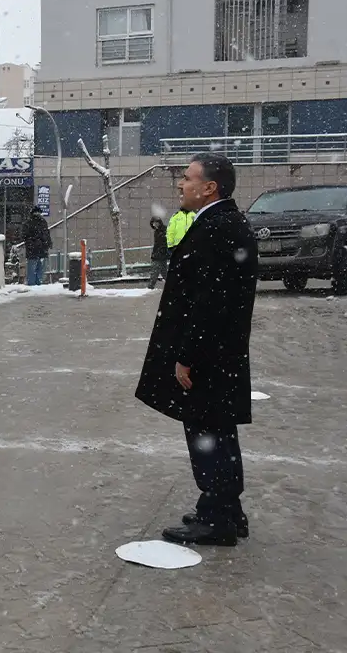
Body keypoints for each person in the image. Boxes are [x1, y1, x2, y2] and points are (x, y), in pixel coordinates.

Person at [136, 153, 258, 547]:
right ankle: (226, 509)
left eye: (188, 178)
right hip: (220, 354)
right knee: (219, 430)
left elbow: (210, 303)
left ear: (210, 187)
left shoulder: (218, 228)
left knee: (208, 432)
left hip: (209, 357)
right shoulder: (222, 223)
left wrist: (187, 356)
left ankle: (217, 519)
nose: (181, 184)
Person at [21, 205, 52, 286]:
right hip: (41, 249)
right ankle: (37, 284)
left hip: (33, 250)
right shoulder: (42, 222)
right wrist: (47, 243)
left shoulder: (29, 222)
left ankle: (33, 284)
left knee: (33, 269)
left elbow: (24, 236)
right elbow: (46, 234)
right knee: (39, 269)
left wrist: (32, 242)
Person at [148, 215, 169, 289]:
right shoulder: (156, 232)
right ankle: (173, 285)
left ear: (159, 223)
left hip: (161, 254)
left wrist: (164, 250)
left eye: (156, 223)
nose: (155, 225)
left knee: (156, 272)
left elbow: (167, 241)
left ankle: (150, 287)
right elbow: (156, 244)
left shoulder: (165, 230)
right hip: (157, 254)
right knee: (163, 272)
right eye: (153, 224)